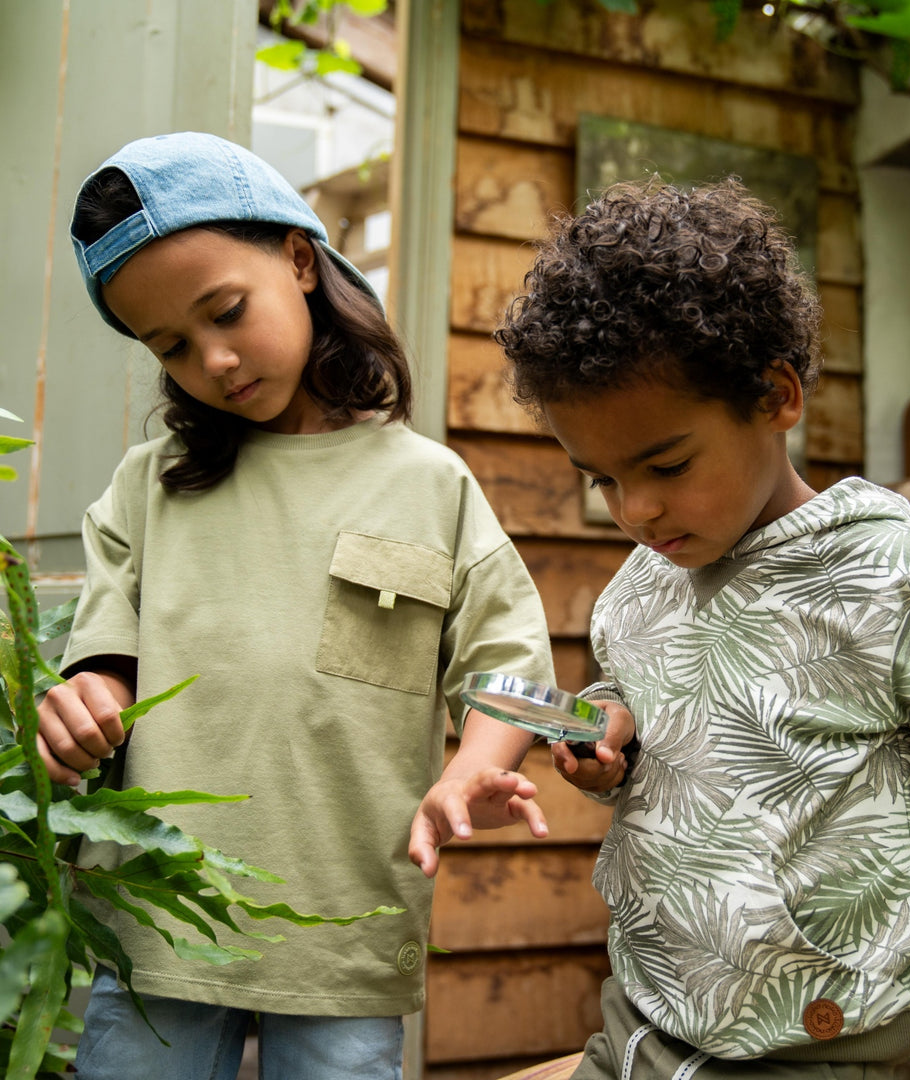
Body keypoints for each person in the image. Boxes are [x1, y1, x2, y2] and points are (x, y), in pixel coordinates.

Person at [495, 177, 910, 1080]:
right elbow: (651, 710)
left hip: (821, 1054)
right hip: (638, 1030)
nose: (636, 509)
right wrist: (613, 738)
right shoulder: (643, 583)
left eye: (667, 463)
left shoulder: (894, 575)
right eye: (600, 479)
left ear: (777, 396)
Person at [37, 131, 554, 1080]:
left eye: (226, 311)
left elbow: (506, 661)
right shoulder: (148, 488)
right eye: (173, 348)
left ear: (301, 259)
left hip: (342, 935)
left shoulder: (428, 485)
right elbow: (104, 660)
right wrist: (84, 704)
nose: (216, 360)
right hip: (159, 930)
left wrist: (470, 767)